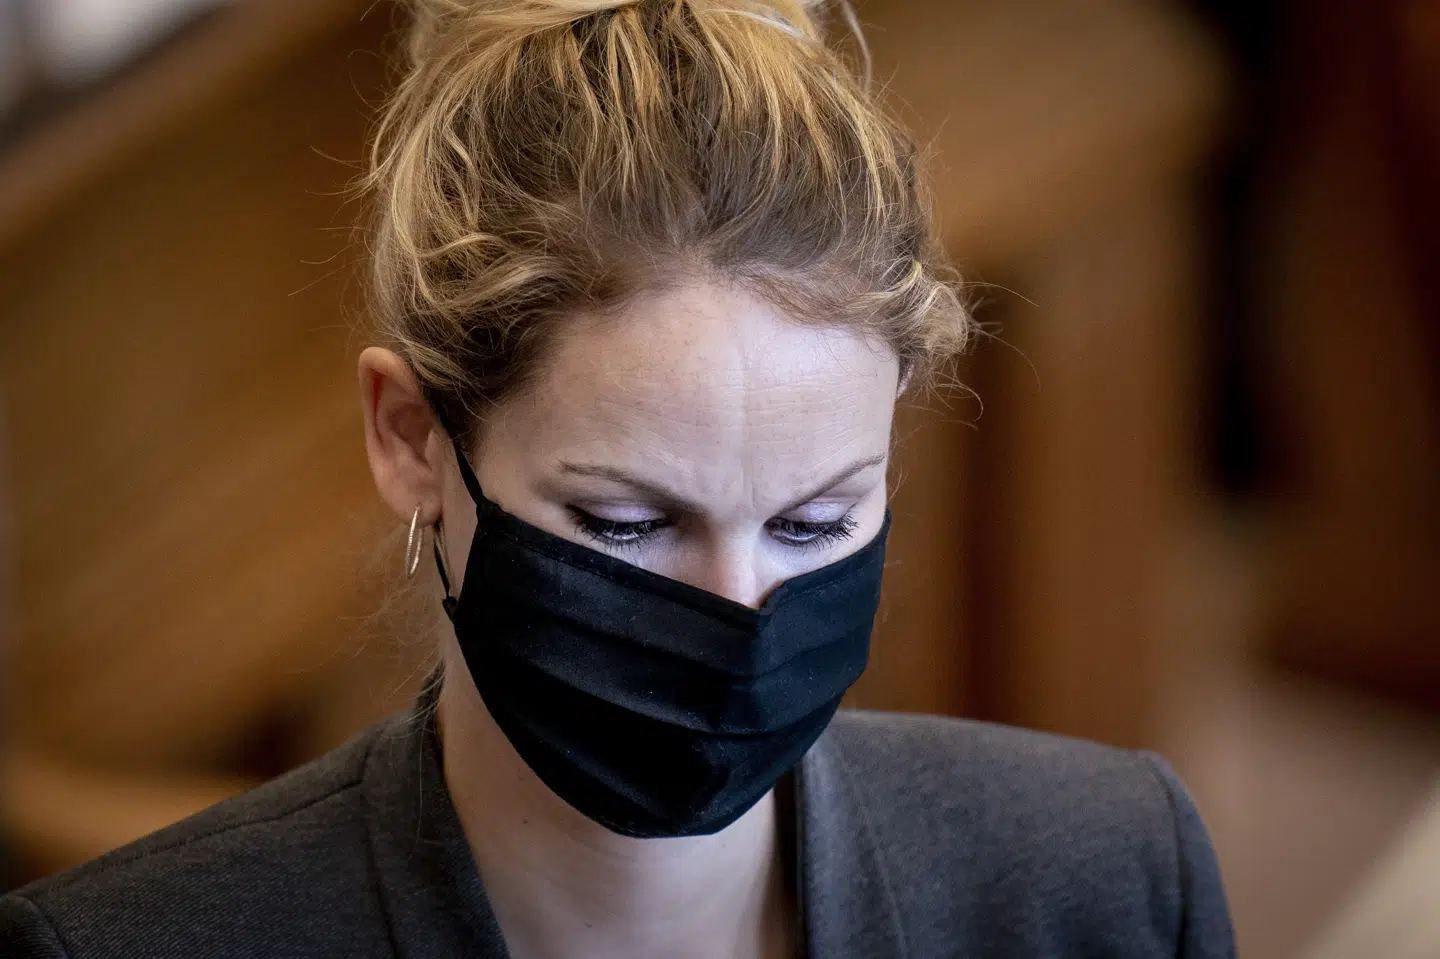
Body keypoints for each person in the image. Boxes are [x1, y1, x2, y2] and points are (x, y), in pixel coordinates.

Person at [0, 1, 1235, 956]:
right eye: (628, 522)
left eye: (815, 519)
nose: (742, 613)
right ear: (414, 437)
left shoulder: (1111, 878)